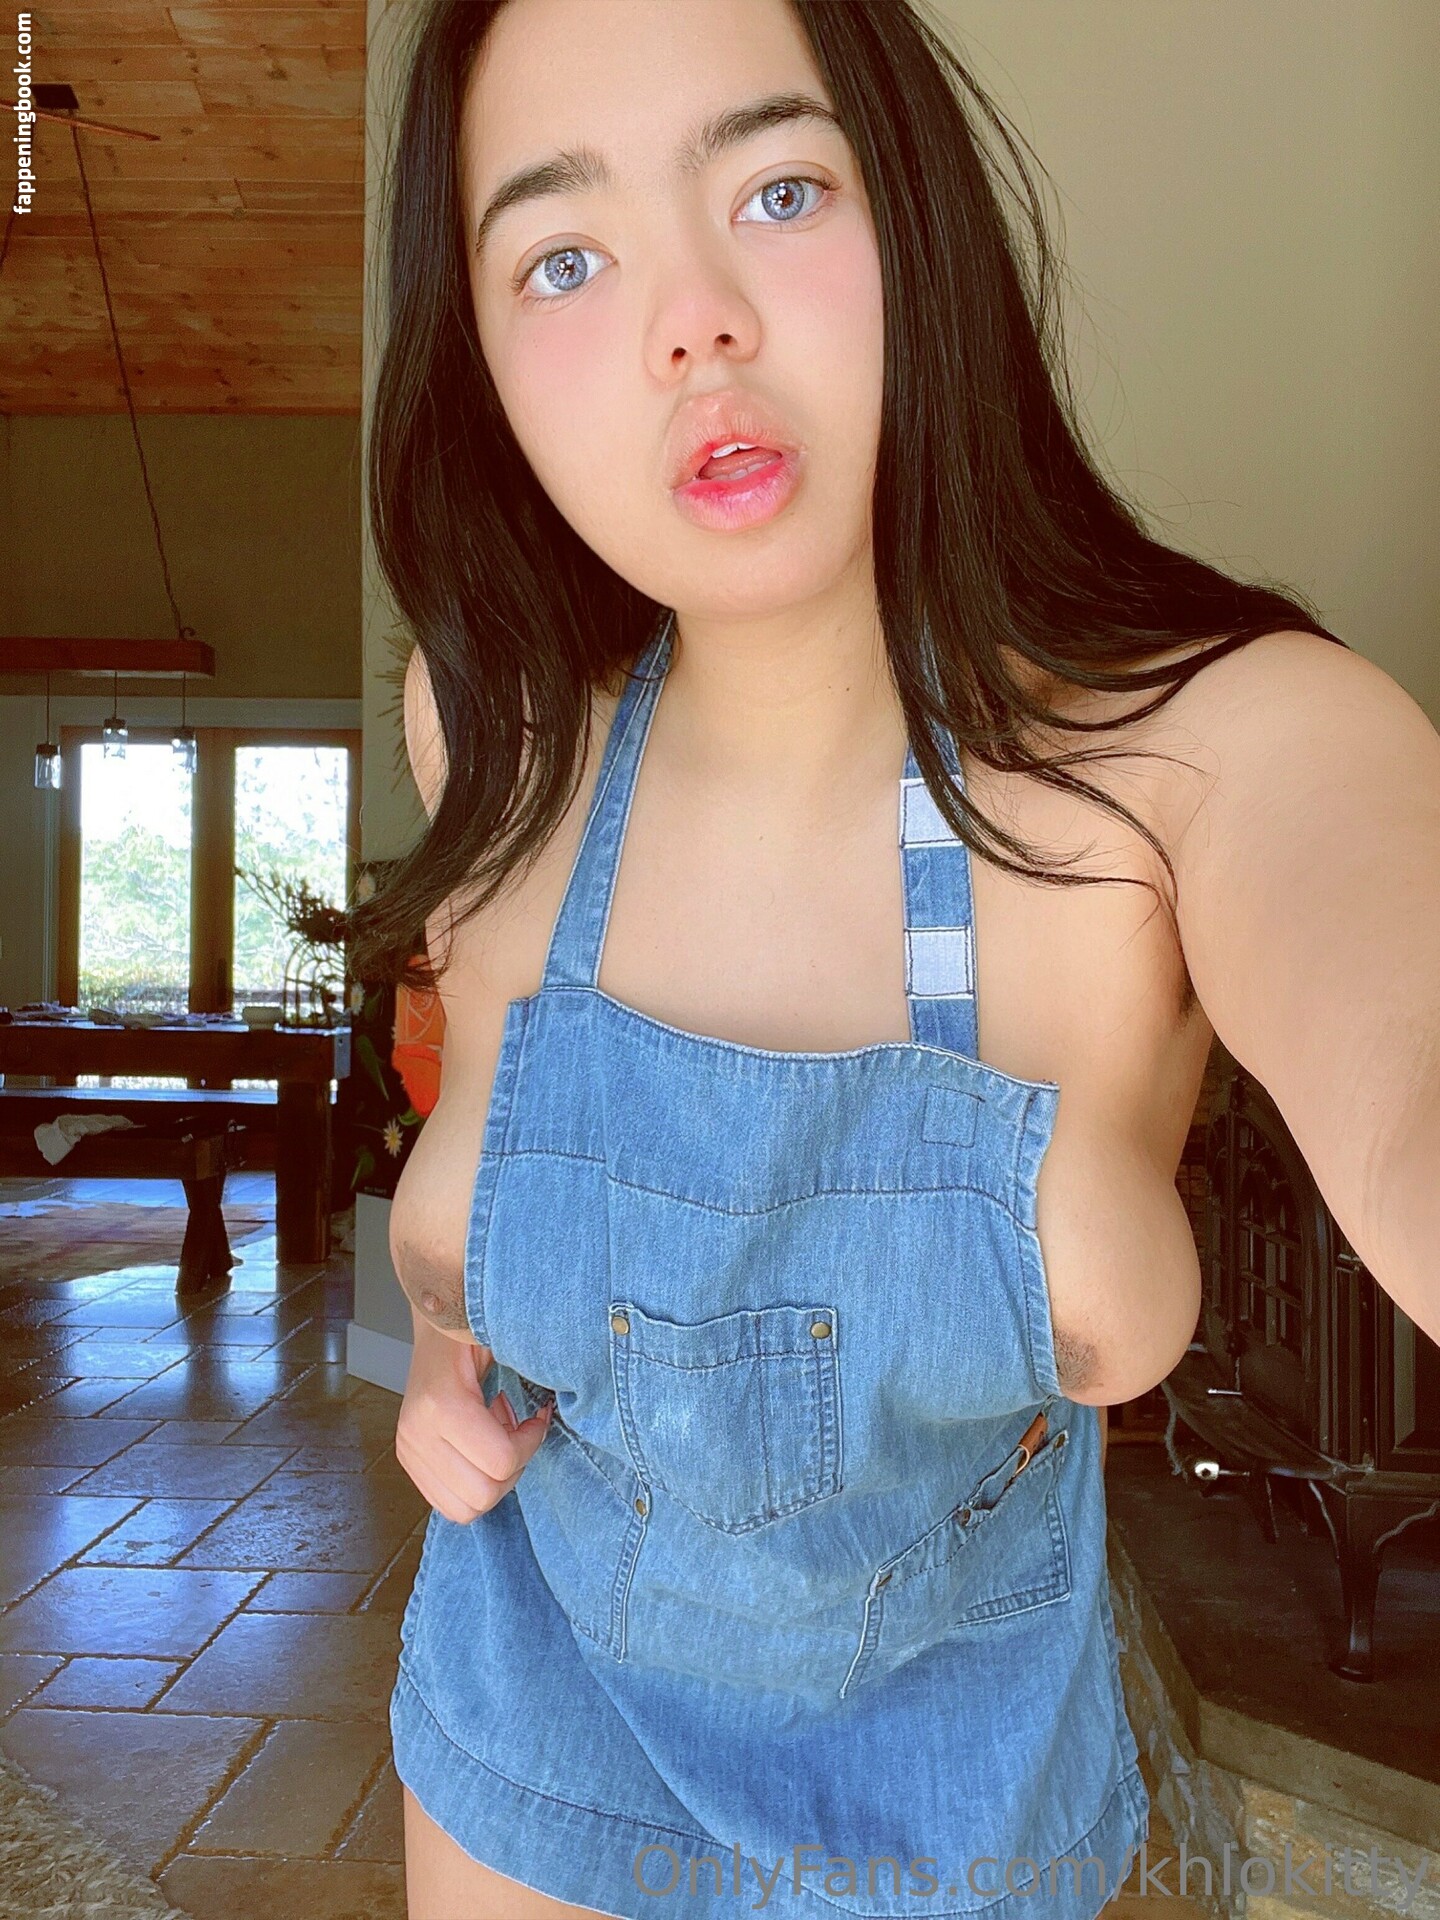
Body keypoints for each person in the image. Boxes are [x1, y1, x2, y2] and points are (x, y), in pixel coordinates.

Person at [345, 2, 1440, 1914]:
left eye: (778, 190)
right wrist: (440, 1356)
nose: (694, 324)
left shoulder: (1206, 755)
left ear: (920, 221)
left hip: (958, 1825)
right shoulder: (492, 737)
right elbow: (470, 1174)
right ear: (486, 368)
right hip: (525, 1767)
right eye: (565, 258)